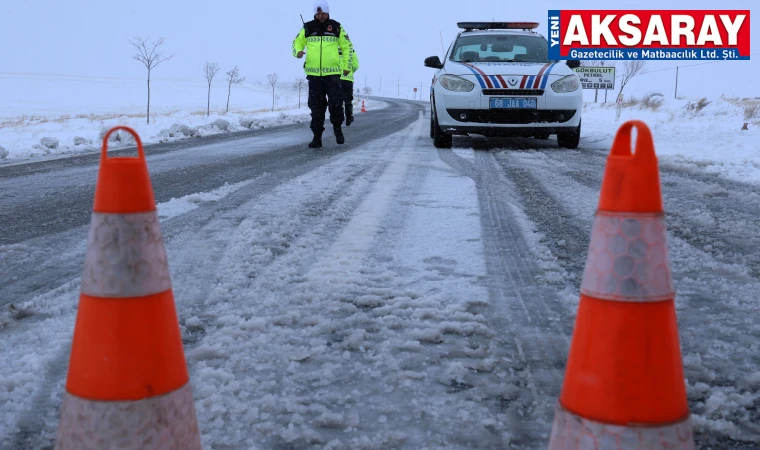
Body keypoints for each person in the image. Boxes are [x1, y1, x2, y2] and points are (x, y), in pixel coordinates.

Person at [292, 1, 353, 148]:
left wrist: (347, 67)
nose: (320, 15)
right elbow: (296, 42)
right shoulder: (307, 27)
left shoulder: (336, 26)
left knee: (336, 104)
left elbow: (347, 47)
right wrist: (297, 52)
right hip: (314, 77)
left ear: (327, 12)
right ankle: (316, 137)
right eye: (317, 13)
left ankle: (337, 130)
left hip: (333, 75)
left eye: (322, 12)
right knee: (316, 108)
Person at [339, 46, 359, 126]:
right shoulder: (351, 51)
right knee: (348, 100)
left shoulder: (333, 49)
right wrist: (349, 71)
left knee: (338, 100)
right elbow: (356, 65)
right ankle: (349, 117)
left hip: (336, 79)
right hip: (348, 79)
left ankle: (339, 118)